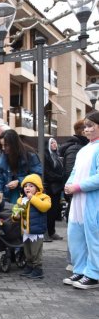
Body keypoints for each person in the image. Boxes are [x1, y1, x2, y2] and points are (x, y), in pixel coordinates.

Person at [63, 111, 99, 289]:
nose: (87, 129)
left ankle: (94, 274)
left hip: (93, 200)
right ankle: (81, 268)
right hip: (78, 201)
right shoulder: (84, 150)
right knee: (75, 235)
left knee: (93, 237)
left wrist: (77, 187)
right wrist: (69, 185)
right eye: (86, 126)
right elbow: (74, 172)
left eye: (91, 125)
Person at [13, 174, 51, 280]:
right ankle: (29, 266)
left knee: (36, 252)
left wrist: (32, 198)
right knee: (27, 252)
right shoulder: (21, 200)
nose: (27, 188)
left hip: (36, 231)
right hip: (26, 231)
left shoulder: (43, 197)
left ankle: (38, 269)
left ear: (38, 187)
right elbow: (16, 212)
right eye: (25, 186)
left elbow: (45, 207)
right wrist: (15, 216)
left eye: (31, 186)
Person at [0, 129, 42, 204]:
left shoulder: (30, 155)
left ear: (13, 144)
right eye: (1, 145)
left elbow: (37, 175)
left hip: (26, 195)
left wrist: (19, 182)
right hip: (6, 195)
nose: (3, 148)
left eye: (5, 145)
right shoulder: (1, 155)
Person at [43, 137, 64, 241]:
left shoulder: (57, 156)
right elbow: (47, 173)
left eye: (55, 142)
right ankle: (48, 232)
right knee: (49, 211)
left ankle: (52, 231)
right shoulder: (46, 156)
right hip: (50, 188)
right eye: (52, 143)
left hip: (57, 188)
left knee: (54, 211)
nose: (55, 144)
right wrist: (61, 177)